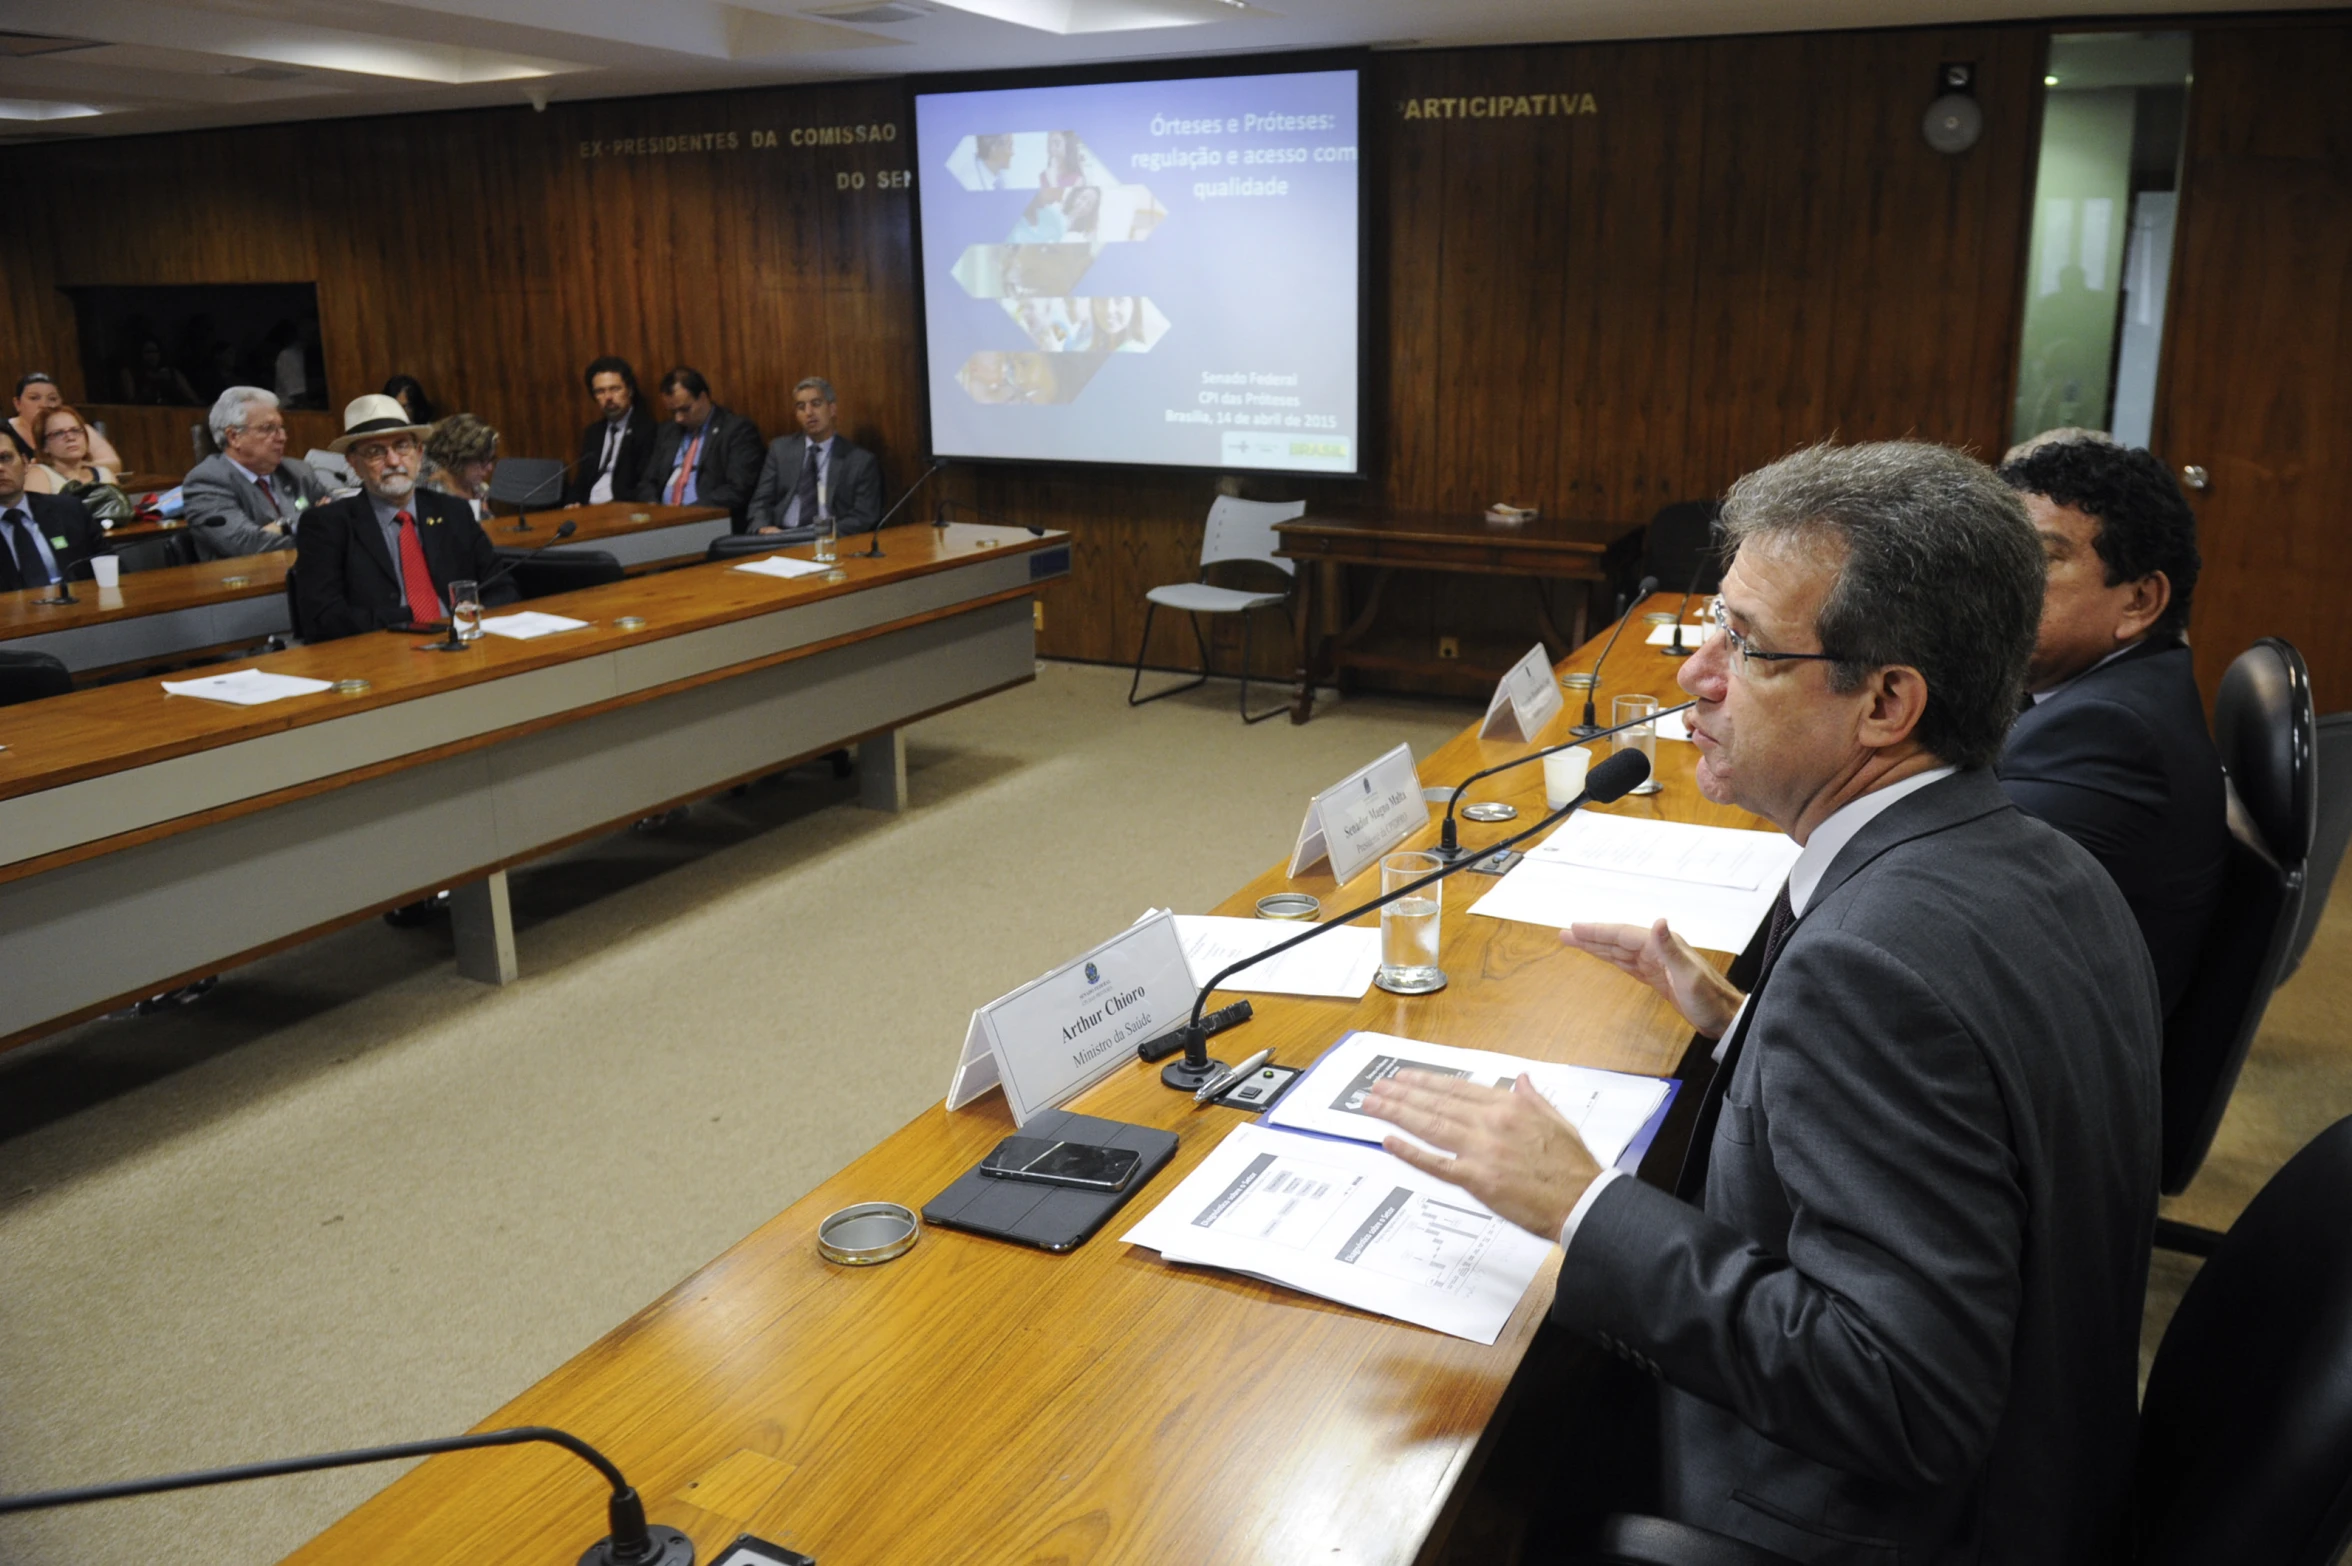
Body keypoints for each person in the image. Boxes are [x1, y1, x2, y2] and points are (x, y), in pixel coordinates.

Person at [1365, 441, 2162, 1564]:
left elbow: (1901, 1396)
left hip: (1862, 1523)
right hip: (2051, 1469)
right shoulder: (2047, 865)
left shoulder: (1872, 969)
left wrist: (1580, 1204)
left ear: (1887, 701)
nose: (1696, 675)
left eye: (1744, 646)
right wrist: (1748, 1023)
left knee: (1435, 1446)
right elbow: (1982, 1124)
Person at [1996, 437, 2225, 1015]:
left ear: (2139, 601)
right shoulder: (2114, 688)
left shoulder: (2107, 733)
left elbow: (1944, 917)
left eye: (2040, 560)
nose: (1995, 584)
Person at [294, 393, 513, 642]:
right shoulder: (327, 525)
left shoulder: (453, 512)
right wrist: (405, 619)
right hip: (381, 651)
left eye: (402, 446)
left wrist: (472, 618)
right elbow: (321, 619)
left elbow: (502, 588)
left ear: (419, 453)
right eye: (376, 452)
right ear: (353, 463)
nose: (393, 461)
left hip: (462, 644)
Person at [181, 387, 332, 559]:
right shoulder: (207, 481)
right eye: (268, 428)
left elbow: (339, 516)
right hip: (248, 581)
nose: (282, 437)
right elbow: (247, 544)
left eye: (281, 428)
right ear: (233, 437)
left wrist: (282, 527)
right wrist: (312, 526)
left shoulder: (297, 471)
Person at [746, 377, 882, 536]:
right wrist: (763, 528)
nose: (808, 412)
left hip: (829, 539)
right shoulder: (780, 450)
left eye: (816, 404)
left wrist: (820, 533)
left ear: (832, 409)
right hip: (781, 537)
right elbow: (760, 502)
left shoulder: (859, 461)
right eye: (801, 407)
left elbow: (864, 516)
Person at [634, 367, 763, 528]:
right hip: (663, 522)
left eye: (684, 409)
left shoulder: (736, 430)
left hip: (710, 522)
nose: (678, 418)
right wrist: (653, 505)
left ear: (703, 397)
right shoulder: (667, 431)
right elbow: (647, 482)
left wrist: (690, 512)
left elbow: (738, 489)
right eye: (672, 412)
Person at [0, 439, 110, 591]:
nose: (0, 468)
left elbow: (111, 568)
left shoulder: (69, 510)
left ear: (25, 463)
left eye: (5, 458)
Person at [565, 356, 656, 507]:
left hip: (622, 509)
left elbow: (643, 484)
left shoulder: (646, 430)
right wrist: (572, 503)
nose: (608, 397)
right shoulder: (593, 433)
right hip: (588, 510)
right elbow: (582, 479)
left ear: (630, 390)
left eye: (615, 389)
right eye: (600, 391)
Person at [25, 406, 133, 528]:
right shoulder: (39, 474)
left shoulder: (104, 473)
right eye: (58, 433)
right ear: (44, 446)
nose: (70, 438)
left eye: (76, 430)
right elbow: (37, 523)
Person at [9, 373, 123, 470]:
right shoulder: (3, 431)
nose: (44, 405)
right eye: (34, 398)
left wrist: (72, 467)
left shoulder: (74, 427)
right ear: (17, 404)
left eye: (52, 399)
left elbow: (114, 464)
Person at [422, 414, 500, 520]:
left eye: (491, 459)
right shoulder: (430, 493)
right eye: (482, 461)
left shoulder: (478, 489)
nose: (490, 468)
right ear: (459, 458)